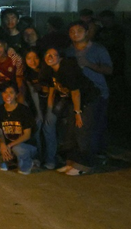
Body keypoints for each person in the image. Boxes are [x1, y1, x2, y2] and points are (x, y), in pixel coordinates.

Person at [40, 47, 101, 175]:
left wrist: (77, 113)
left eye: (53, 55)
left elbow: (76, 92)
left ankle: (84, 166)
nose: (50, 57)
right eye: (47, 55)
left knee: (81, 130)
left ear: (60, 57)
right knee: (71, 132)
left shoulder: (67, 69)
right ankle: (71, 163)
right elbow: (52, 89)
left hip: (86, 101)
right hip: (73, 103)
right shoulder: (50, 71)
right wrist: (50, 110)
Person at [66, 21, 111, 158]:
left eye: (79, 31)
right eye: (72, 31)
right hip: (78, 94)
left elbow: (109, 69)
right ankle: (82, 154)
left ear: (86, 32)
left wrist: (89, 64)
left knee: (97, 123)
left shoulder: (98, 49)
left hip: (98, 92)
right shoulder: (69, 51)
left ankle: (98, 153)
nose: (75, 34)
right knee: (79, 124)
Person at [0, 83, 38, 174]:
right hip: (8, 143)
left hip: (24, 144)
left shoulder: (24, 110)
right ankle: (7, 160)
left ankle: (27, 163)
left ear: (16, 95)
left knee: (18, 149)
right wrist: (3, 145)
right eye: (5, 92)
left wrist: (9, 146)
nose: (7, 95)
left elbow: (27, 135)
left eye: (11, 93)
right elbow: (0, 132)